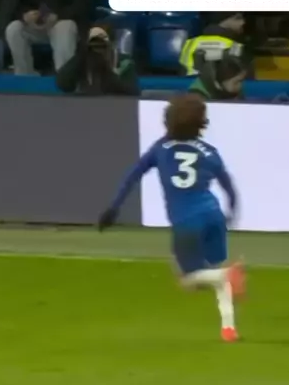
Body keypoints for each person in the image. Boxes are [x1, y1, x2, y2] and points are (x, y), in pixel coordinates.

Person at [98, 94, 245, 343]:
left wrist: (114, 208)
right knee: (215, 272)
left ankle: (226, 275)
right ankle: (229, 328)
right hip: (213, 216)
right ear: (201, 123)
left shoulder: (160, 149)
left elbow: (132, 176)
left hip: (187, 222)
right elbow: (228, 186)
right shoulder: (210, 153)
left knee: (189, 280)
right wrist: (232, 211)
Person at [56, 24, 139, 95]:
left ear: (112, 44)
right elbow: (63, 84)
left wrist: (108, 71)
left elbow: (132, 92)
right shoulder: (83, 60)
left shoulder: (124, 62)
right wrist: (80, 57)